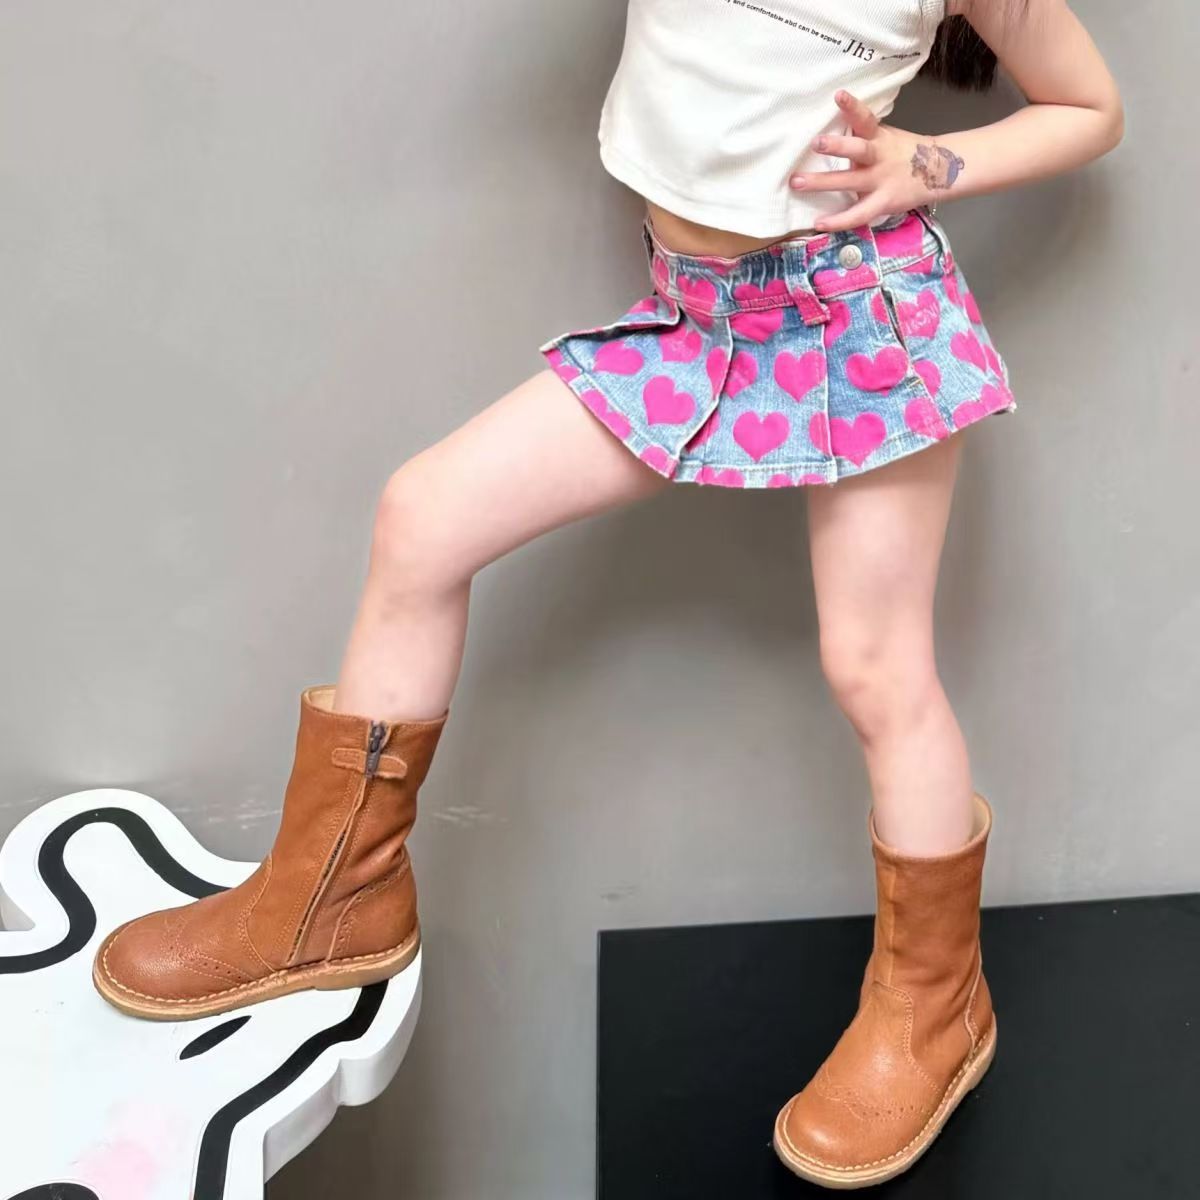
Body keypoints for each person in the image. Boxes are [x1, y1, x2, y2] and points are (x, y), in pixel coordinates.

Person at [91, 0, 1123, 1188]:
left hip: (859, 315)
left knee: (876, 667)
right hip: (700, 315)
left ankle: (937, 1010)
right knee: (423, 519)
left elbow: (1090, 107)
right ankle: (337, 900)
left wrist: (924, 162)